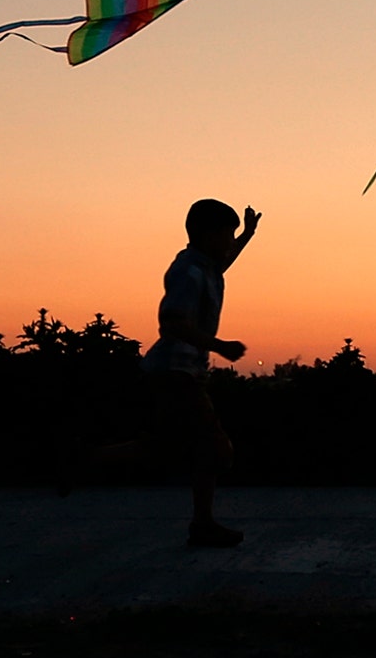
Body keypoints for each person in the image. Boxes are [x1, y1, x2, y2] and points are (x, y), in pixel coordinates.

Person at [94, 199, 260, 547]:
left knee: (167, 448)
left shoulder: (207, 267)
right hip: (174, 373)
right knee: (215, 450)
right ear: (205, 234)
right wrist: (219, 346)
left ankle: (82, 463)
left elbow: (225, 261)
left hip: (181, 373)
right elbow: (172, 322)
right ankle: (202, 525)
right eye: (226, 234)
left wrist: (247, 235)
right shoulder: (188, 271)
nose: (230, 242)